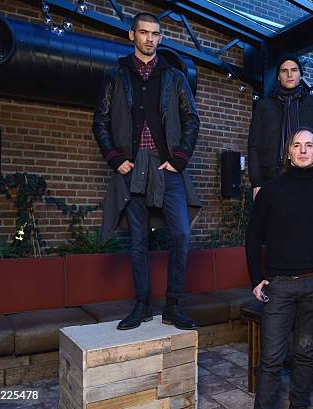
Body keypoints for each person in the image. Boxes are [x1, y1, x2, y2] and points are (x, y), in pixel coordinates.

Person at [92, 12, 200, 330]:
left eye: (155, 34)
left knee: (180, 232)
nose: (150, 38)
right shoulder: (116, 74)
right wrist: (114, 158)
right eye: (144, 32)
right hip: (132, 165)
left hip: (168, 166)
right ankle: (141, 305)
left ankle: (173, 306)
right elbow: (100, 120)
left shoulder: (174, 77)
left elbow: (191, 119)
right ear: (132, 36)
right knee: (138, 239)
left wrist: (180, 157)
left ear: (160, 38)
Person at [245, 127, 313, 409]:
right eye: (297, 145)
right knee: (271, 360)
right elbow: (253, 238)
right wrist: (256, 279)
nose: (303, 150)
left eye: (309, 145)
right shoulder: (271, 191)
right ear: (289, 152)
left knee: (305, 356)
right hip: (278, 287)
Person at [248, 54, 313, 200]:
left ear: (300, 75)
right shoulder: (263, 106)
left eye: (294, 70)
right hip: (271, 180)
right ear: (278, 77)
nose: (289, 74)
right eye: (284, 71)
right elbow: (254, 145)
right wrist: (256, 182)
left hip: (309, 179)